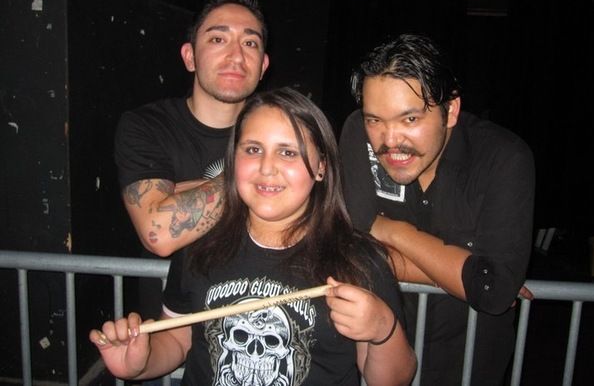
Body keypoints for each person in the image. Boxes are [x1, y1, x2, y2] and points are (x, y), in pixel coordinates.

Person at [90, 87, 417, 385]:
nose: (266, 167)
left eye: (288, 152)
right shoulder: (201, 245)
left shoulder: (359, 260)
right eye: (253, 149)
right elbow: (177, 339)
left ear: (321, 167)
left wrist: (382, 329)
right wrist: (140, 362)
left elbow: (393, 381)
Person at [339, 34, 535, 386]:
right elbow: (350, 251)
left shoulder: (503, 158)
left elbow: (493, 291)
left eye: (410, 119)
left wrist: (389, 230)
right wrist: (466, 274)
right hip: (382, 359)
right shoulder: (357, 133)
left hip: (468, 363)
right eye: (375, 120)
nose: (389, 140)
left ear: (451, 110)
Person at [114, 0, 270, 318]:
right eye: (218, 39)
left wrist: (181, 192)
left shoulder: (281, 129)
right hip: (169, 329)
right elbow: (158, 232)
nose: (236, 55)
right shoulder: (147, 126)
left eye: (250, 43)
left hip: (251, 323)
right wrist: (261, 180)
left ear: (263, 65)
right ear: (190, 57)